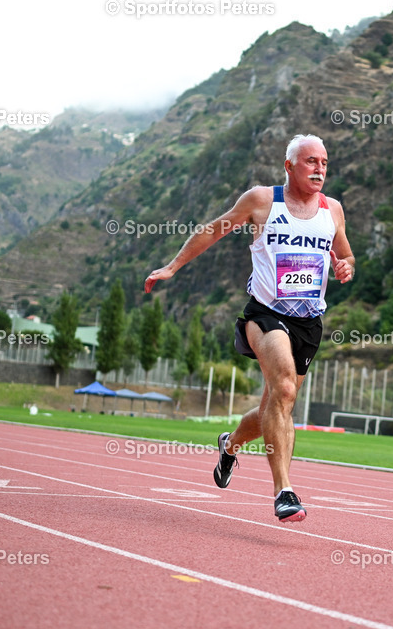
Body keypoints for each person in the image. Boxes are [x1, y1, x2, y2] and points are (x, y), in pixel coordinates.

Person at [145, 134, 354, 522]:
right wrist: (173, 266)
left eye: (324, 162)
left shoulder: (333, 210)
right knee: (286, 388)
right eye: (311, 162)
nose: (319, 169)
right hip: (265, 313)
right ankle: (284, 491)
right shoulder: (262, 200)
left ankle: (230, 444)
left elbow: (345, 253)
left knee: (276, 406)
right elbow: (213, 230)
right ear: (289, 166)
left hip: (309, 321)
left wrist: (346, 266)